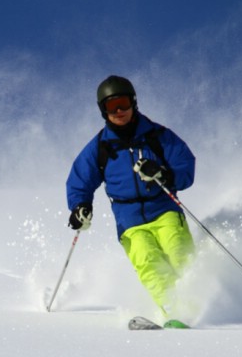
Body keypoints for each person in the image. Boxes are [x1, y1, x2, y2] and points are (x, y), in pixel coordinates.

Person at [66, 75, 196, 328]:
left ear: (133, 102)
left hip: (164, 209)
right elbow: (79, 180)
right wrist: (80, 205)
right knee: (148, 263)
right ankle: (175, 314)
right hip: (129, 221)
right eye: (111, 107)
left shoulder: (158, 136)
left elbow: (185, 166)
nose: (119, 112)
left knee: (179, 253)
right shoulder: (100, 147)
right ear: (102, 111)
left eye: (123, 103)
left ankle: (196, 305)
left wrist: (163, 174)